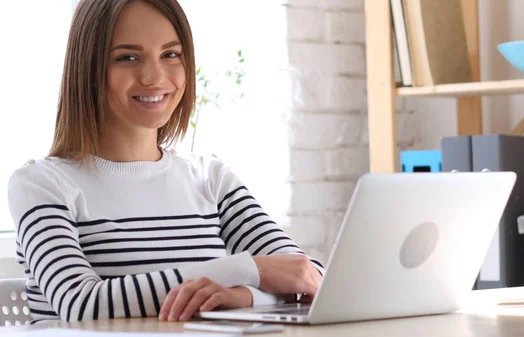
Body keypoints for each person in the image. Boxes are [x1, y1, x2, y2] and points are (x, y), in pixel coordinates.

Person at [7, 0, 323, 324]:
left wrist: (243, 295)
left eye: (170, 54)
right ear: (88, 69)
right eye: (127, 57)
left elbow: (310, 277)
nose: (153, 77)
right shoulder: (41, 184)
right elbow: (80, 303)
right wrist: (247, 270)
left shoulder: (211, 179)